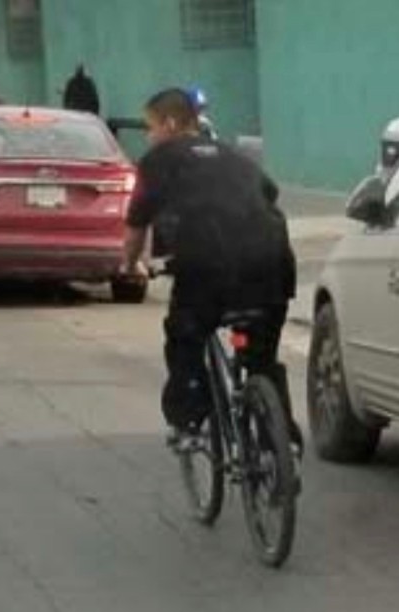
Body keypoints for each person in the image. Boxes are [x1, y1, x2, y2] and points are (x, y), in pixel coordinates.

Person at [120, 88, 301, 456]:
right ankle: (284, 447)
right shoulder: (237, 156)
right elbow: (269, 193)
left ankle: (187, 424)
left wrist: (129, 266)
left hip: (206, 270)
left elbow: (136, 222)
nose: (149, 136)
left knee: (184, 337)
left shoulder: (159, 159)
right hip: (272, 265)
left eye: (150, 127)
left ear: (170, 123)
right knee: (262, 359)